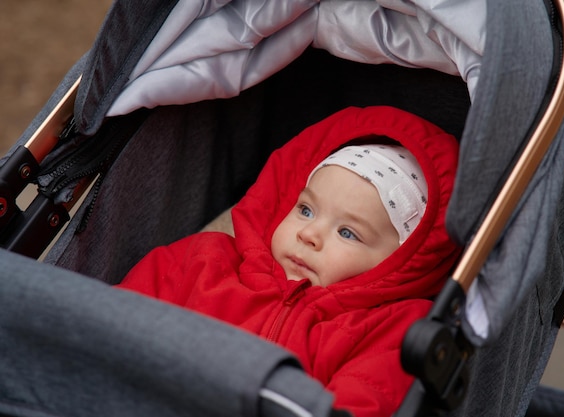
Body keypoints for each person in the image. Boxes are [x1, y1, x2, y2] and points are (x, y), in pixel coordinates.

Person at [117, 105, 461, 417]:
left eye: (347, 233)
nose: (309, 234)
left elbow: (366, 402)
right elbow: (115, 322)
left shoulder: (392, 328)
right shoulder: (204, 260)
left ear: (395, 263)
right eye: (306, 210)